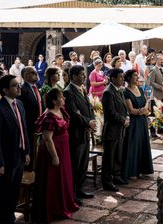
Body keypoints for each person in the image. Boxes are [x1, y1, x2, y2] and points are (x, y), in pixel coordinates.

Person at [32, 88, 79, 223]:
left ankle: (64, 204)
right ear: (54, 100)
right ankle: (54, 208)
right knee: (53, 179)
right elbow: (47, 138)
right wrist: (54, 156)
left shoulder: (61, 110)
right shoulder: (49, 116)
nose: (64, 98)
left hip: (63, 149)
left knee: (63, 177)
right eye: (61, 97)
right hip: (52, 151)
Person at [0, 75, 30, 224]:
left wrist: (26, 151)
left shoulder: (19, 104)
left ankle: (10, 217)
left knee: (15, 190)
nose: (18, 87)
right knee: (5, 191)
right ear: (5, 89)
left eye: (18, 84)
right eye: (15, 85)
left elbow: (24, 129)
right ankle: (4, 219)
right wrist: (0, 162)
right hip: (7, 156)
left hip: (19, 154)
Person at [63, 65, 95, 201]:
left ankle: (80, 189)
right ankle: (73, 193)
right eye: (82, 74)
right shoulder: (68, 92)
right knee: (75, 164)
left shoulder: (82, 89)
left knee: (83, 163)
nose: (84, 77)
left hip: (85, 132)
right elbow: (74, 114)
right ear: (74, 76)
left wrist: (91, 121)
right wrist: (88, 123)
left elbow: (89, 108)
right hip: (76, 133)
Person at [121, 69, 154, 180]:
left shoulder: (140, 88)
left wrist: (146, 110)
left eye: (137, 75)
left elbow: (145, 103)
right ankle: (132, 170)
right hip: (134, 122)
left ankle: (142, 169)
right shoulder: (126, 92)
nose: (137, 77)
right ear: (129, 78)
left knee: (142, 143)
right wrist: (141, 111)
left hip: (142, 121)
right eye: (135, 75)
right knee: (133, 145)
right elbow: (130, 110)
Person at [101, 68, 129, 191]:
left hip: (120, 129)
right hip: (112, 129)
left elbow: (124, 107)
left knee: (118, 154)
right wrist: (123, 120)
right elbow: (111, 112)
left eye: (123, 77)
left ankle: (116, 176)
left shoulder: (120, 91)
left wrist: (127, 117)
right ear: (113, 78)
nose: (123, 79)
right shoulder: (108, 92)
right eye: (120, 77)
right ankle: (107, 181)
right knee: (109, 157)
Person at [19, 66, 42, 169]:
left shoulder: (35, 87)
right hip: (29, 125)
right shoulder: (23, 90)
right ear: (26, 76)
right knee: (30, 150)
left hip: (38, 124)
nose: (36, 74)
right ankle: (29, 170)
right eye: (33, 73)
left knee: (36, 150)